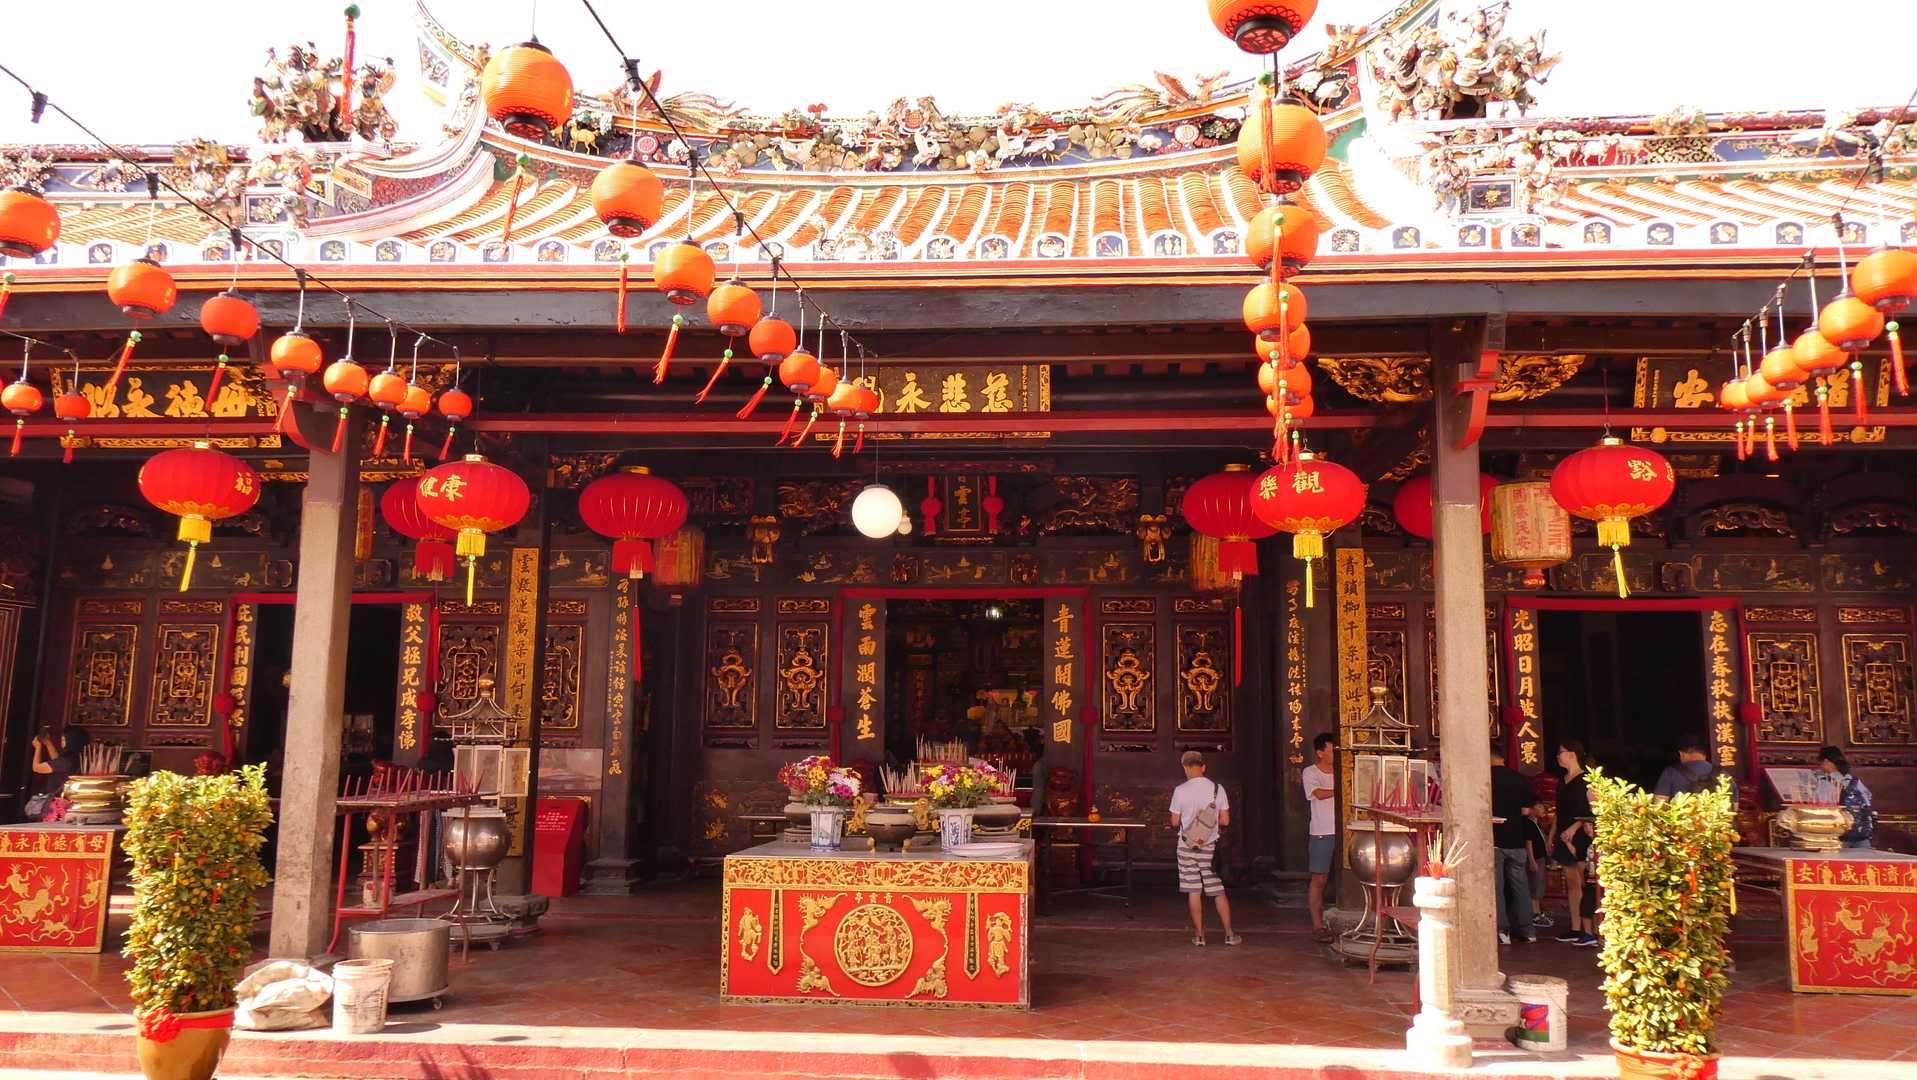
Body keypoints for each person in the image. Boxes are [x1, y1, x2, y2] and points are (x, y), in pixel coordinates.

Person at [1170, 750, 1237, 946]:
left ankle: (1199, 936)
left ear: (1185, 767)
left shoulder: (1180, 790)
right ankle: (1229, 935)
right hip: (1210, 847)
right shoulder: (1217, 789)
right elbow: (1225, 820)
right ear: (1204, 767)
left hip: (1186, 845)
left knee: (1194, 890)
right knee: (1217, 890)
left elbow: (1174, 822)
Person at [1551, 741, 1599, 947]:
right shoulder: (1562, 780)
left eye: (1560, 752)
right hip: (1563, 834)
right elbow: (1559, 811)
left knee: (1584, 881)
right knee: (1571, 883)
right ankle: (1575, 927)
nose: (1558, 756)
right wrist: (1552, 834)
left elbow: (1592, 811)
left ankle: (1592, 929)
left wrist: (1574, 828)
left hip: (1580, 835)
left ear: (1572, 754)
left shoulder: (1587, 779)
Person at [1489, 744, 1535, 945]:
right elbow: (1526, 810)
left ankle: (1502, 931)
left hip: (1495, 841)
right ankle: (1528, 930)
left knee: (1497, 888)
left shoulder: (1485, 778)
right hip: (1517, 840)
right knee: (1521, 888)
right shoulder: (1519, 778)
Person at [1302, 733, 1337, 943]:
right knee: (1319, 879)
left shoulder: (1343, 770)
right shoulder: (1310, 772)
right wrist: (1340, 788)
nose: (1335, 754)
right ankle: (1317, 925)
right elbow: (1318, 794)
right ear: (1320, 752)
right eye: (1332, 750)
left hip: (1344, 831)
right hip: (1322, 832)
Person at [1818, 745, 1875, 850]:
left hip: (1838, 832)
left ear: (1826, 761)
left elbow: (1820, 804)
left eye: (1820, 763)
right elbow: (1868, 798)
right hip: (1860, 831)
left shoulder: (1824, 782)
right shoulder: (1854, 780)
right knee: (1865, 858)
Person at [27, 726, 88, 821]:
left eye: (63, 740)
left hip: (58, 805)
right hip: (69, 801)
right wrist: (48, 743)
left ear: (70, 741)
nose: (61, 742)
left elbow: (36, 768)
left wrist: (38, 747)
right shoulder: (77, 758)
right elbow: (56, 760)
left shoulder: (66, 761)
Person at [1654, 738, 1727, 799]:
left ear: (1681, 754)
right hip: (1716, 812)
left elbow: (1660, 802)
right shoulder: (1722, 773)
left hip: (1683, 812)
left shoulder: (1670, 772)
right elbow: (1732, 803)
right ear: (1705, 754)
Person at [1524, 797, 1553, 931]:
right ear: (1532, 809)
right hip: (1535, 859)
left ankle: (1538, 911)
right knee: (1535, 886)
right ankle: (1534, 913)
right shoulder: (1529, 823)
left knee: (1539, 885)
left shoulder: (1537, 824)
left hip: (1540, 858)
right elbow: (1528, 843)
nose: (1543, 810)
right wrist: (1532, 860)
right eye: (1540, 807)